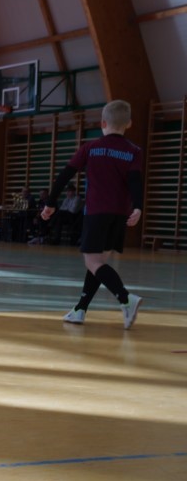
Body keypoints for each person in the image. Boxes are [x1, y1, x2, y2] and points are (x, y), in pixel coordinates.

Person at [42, 99, 144, 329]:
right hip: (119, 215)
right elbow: (135, 182)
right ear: (129, 123)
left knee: (92, 261)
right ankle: (80, 310)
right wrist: (138, 207)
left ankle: (126, 298)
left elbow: (65, 175)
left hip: (97, 212)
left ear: (102, 123)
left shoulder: (90, 147)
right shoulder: (134, 151)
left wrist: (50, 202)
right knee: (98, 263)